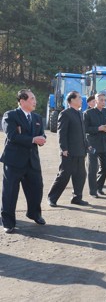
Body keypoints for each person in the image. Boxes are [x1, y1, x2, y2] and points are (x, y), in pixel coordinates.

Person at [0, 89, 47, 233]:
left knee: (36, 189)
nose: (35, 101)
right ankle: (8, 222)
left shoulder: (37, 118)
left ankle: (34, 214)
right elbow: (13, 135)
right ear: (22, 101)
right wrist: (33, 139)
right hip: (14, 161)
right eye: (32, 99)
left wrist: (42, 139)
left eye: (34, 98)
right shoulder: (11, 115)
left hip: (32, 161)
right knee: (10, 192)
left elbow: (42, 134)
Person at [47, 91, 90, 206]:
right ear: (72, 100)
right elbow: (61, 133)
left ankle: (77, 198)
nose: (82, 100)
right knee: (64, 176)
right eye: (79, 98)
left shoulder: (80, 113)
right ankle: (52, 198)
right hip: (69, 151)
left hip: (80, 151)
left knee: (80, 175)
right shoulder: (65, 114)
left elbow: (82, 132)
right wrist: (63, 148)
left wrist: (87, 145)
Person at [84, 93, 106, 198]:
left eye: (105, 100)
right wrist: (98, 128)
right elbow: (85, 129)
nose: (103, 102)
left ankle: (99, 187)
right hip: (93, 144)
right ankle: (93, 191)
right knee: (92, 168)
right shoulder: (88, 113)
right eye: (101, 100)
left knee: (105, 167)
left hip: (104, 143)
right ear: (95, 101)